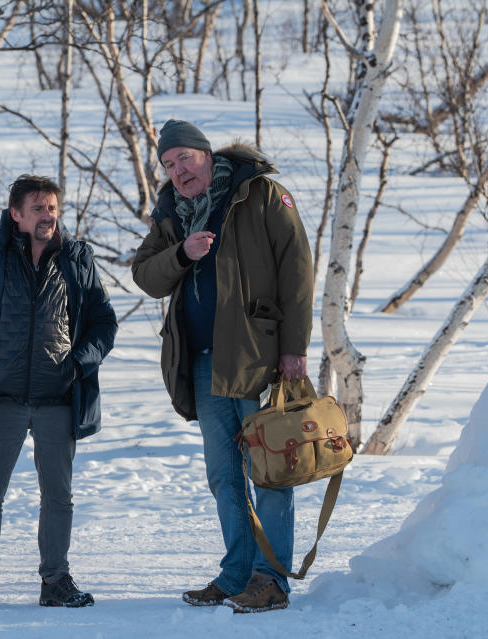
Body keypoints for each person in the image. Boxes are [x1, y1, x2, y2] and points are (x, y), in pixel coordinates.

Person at [132, 120, 314, 613]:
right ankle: (236, 574)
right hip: (203, 362)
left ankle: (270, 579)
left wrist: (295, 348)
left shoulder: (259, 193)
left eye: (184, 158)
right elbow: (145, 275)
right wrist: (181, 253)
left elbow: (297, 269)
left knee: (270, 470)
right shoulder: (171, 213)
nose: (178, 171)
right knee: (224, 476)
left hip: (259, 357)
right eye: (169, 165)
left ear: (206, 154)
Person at [0, 175, 117, 612]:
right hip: (1, 397)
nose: (49, 215)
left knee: (59, 496)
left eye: (53, 207)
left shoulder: (77, 258)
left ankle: (55, 580)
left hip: (58, 397)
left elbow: (103, 321)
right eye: (38, 208)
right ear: (15, 213)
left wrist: (79, 364)